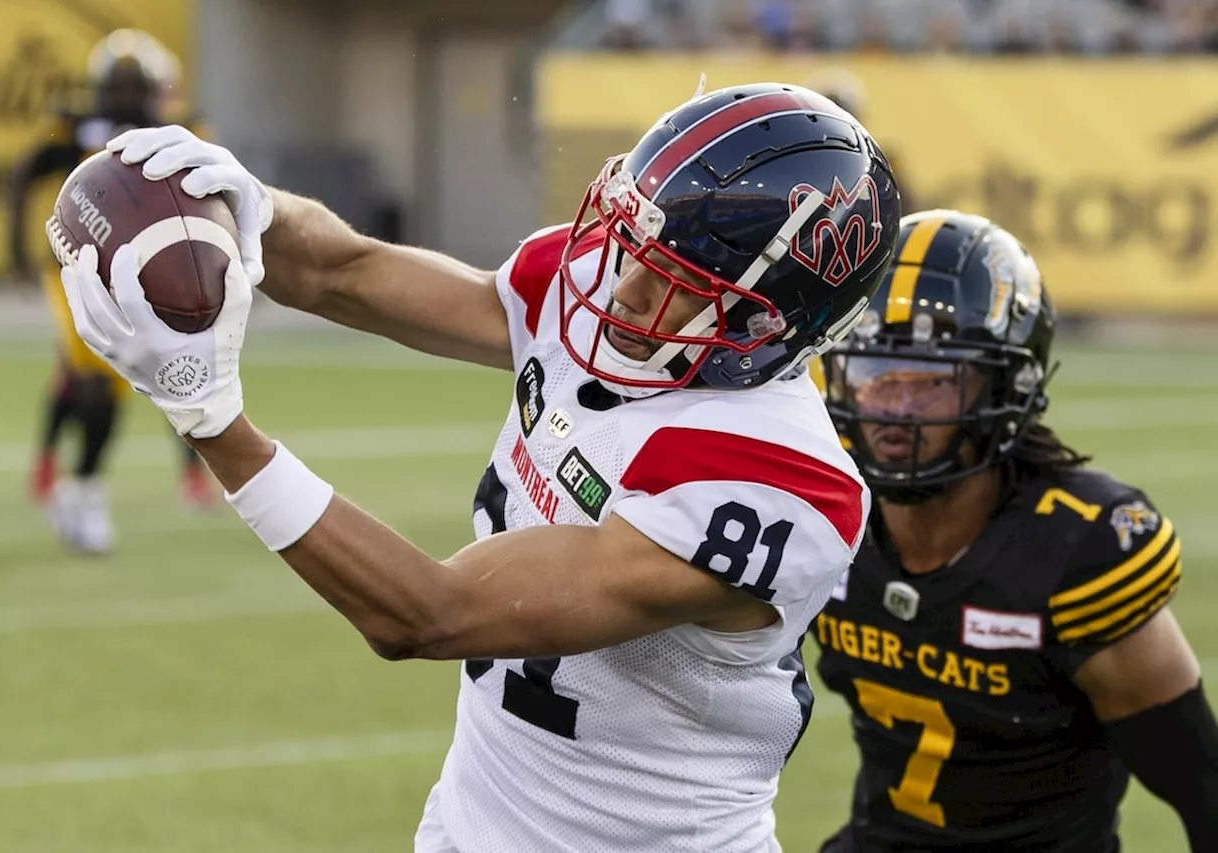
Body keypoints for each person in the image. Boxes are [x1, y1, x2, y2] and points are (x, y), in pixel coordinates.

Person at [56, 82, 901, 851]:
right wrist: (247, 207)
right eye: (632, 241)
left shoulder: (776, 480)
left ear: (774, 320)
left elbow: (429, 614)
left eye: (675, 277)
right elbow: (344, 271)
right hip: (468, 822)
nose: (624, 289)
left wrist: (210, 420)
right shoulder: (601, 281)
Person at [812, 209, 1218, 852]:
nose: (894, 412)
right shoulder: (823, 515)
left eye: (931, 386)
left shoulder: (1076, 552)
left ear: (1010, 383)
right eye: (874, 378)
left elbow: (1203, 787)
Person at [6, 29, 216, 553]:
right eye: (116, 85)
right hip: (74, 272)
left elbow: (213, 194)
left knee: (162, 378)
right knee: (96, 380)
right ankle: (87, 493)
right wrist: (14, 243)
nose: (123, 95)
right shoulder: (75, 126)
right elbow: (25, 172)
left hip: (143, 279)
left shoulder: (176, 131)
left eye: (132, 85)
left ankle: (81, 487)